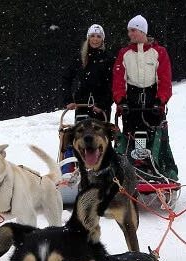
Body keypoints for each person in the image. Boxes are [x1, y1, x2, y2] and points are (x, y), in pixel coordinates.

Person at [112, 14, 178, 179]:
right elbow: (118, 80)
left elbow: (165, 79)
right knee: (128, 140)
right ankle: (128, 171)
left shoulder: (158, 52)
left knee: (157, 139)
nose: (130, 34)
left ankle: (159, 169)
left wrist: (160, 100)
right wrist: (121, 100)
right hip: (131, 103)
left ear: (142, 31)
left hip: (152, 102)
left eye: (133, 30)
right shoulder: (124, 54)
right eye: (129, 31)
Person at [60, 24, 115, 122]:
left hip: (101, 106)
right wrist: (68, 100)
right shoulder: (80, 57)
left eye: (98, 36)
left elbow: (114, 83)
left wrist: (104, 104)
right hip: (82, 104)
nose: (95, 39)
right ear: (88, 38)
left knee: (101, 136)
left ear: (102, 39)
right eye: (92, 36)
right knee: (80, 135)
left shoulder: (108, 58)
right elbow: (66, 78)